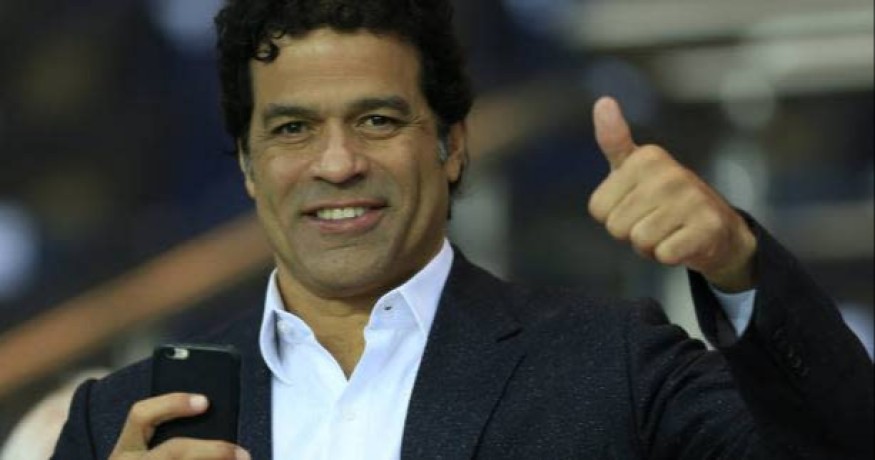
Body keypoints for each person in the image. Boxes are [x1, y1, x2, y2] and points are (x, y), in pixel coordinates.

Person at [51, 0, 873, 459]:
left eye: (376, 120)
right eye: (293, 129)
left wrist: (737, 263)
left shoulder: (611, 365)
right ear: (246, 165)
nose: (336, 163)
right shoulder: (119, 418)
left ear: (451, 146)